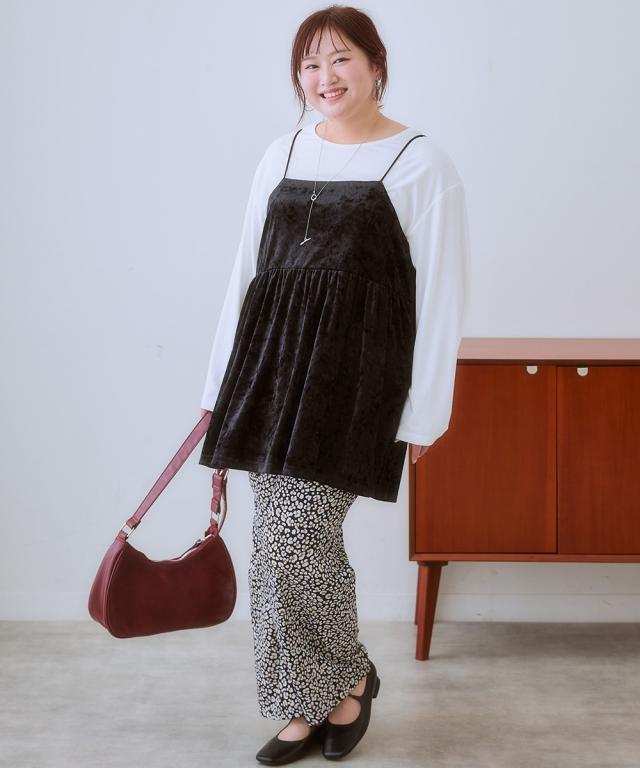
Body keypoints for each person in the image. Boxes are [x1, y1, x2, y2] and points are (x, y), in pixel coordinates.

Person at [198, 5, 470, 763]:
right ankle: (323, 694)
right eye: (311, 64)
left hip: (357, 383)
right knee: (276, 543)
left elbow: (442, 298)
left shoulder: (421, 163)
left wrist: (425, 413)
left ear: (377, 65)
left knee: (296, 536)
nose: (326, 77)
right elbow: (246, 275)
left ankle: (337, 681)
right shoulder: (281, 151)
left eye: (341, 58)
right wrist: (219, 386)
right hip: (270, 372)